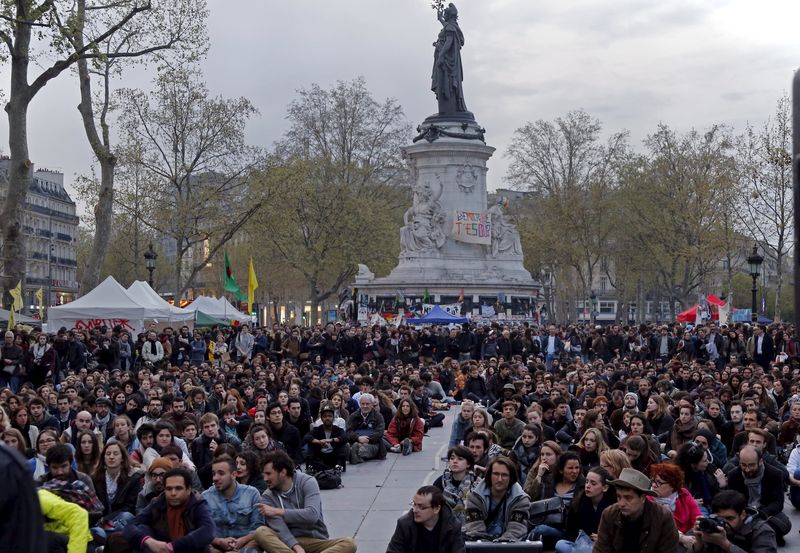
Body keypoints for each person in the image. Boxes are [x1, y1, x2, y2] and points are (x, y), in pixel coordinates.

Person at [254, 450, 357, 553]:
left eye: (268, 474)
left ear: (283, 472)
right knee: (261, 532)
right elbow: (280, 528)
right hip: (288, 544)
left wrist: (278, 511)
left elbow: (312, 515)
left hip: (315, 540)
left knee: (349, 543)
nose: (265, 478)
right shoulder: (267, 496)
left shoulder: (307, 482)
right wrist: (296, 547)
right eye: (263, 474)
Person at [115, 467, 216, 553]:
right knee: (138, 531)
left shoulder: (198, 504)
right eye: (168, 489)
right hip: (161, 549)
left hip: (187, 549)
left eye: (178, 488)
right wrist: (148, 541)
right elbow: (130, 526)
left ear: (188, 489)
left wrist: (172, 547)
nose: (173, 493)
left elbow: (208, 531)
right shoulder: (158, 502)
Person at [593, 467, 679, 553]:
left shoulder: (662, 517)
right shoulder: (609, 514)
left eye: (628, 498)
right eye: (619, 497)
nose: (621, 503)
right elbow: (600, 550)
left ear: (642, 498)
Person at [725, 445, 790, 543]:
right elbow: (732, 502)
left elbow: (777, 503)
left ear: (760, 461)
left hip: (765, 512)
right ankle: (764, 536)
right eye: (743, 465)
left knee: (785, 524)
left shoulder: (775, 474)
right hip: (744, 514)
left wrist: (760, 514)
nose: (747, 469)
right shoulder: (734, 475)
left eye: (751, 465)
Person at [202, 454, 263, 552]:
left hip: (245, 543)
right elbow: (202, 530)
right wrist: (218, 541)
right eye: (213, 474)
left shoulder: (251, 493)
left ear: (234, 475)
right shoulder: (206, 497)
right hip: (217, 545)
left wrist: (242, 540)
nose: (215, 478)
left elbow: (258, 527)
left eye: (221, 473)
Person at [464, 455, 531, 542]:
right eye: (496, 474)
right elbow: (475, 529)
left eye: (504, 475)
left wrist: (502, 544)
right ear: (489, 475)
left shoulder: (521, 500)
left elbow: (516, 529)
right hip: (481, 544)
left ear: (511, 478)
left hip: (509, 545)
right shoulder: (475, 497)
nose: (499, 479)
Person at [688, 489, 778, 553]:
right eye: (719, 518)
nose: (724, 523)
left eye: (730, 518)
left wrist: (726, 545)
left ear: (743, 514)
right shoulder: (712, 527)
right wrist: (698, 545)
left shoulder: (762, 531)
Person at [386, 485, 466, 553]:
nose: (415, 510)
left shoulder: (453, 525)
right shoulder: (404, 524)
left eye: (421, 507)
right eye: (414, 504)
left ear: (436, 509)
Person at [554, 466, 615, 553]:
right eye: (587, 482)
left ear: (605, 488)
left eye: (593, 483)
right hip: (581, 544)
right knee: (560, 544)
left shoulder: (613, 506)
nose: (588, 486)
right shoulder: (579, 502)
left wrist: (603, 539)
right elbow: (570, 533)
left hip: (602, 547)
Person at [648, 463, 701, 550]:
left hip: (690, 536)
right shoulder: (648, 500)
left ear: (672, 485)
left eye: (659, 482)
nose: (653, 485)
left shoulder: (683, 494)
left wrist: (698, 533)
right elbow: (658, 529)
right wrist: (682, 538)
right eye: (653, 481)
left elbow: (697, 517)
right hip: (664, 542)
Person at [433, 445, 477, 526]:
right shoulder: (440, 482)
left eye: (460, 459)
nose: (455, 461)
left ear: (468, 464)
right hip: (445, 525)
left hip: (471, 525)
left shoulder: (476, 483)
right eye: (452, 458)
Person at [305, 404, 348, 472]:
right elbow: (307, 437)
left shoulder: (338, 429)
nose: (327, 418)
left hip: (333, 457)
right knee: (311, 444)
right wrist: (319, 441)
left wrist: (331, 440)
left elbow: (345, 437)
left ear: (333, 418)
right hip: (321, 457)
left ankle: (339, 466)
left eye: (330, 416)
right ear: (321, 418)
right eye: (325, 416)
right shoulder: (317, 429)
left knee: (341, 444)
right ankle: (310, 466)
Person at [346, 393, 386, 464]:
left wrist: (368, 439)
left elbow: (380, 432)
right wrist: (358, 438)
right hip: (356, 442)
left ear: (372, 405)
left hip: (372, 443)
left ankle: (352, 455)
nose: (365, 406)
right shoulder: (353, 416)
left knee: (364, 449)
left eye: (367, 404)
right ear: (359, 404)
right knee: (353, 447)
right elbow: (348, 431)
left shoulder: (378, 416)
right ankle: (354, 455)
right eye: (363, 404)